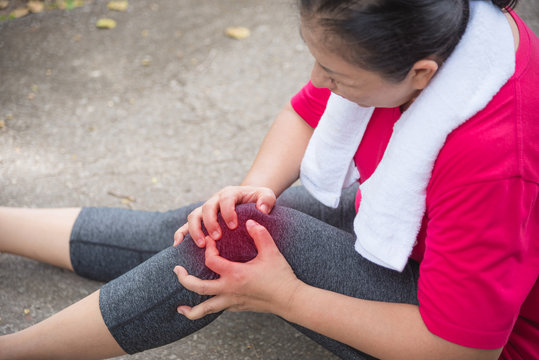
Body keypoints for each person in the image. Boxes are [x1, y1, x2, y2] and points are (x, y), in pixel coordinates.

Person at [0, 0, 537, 359]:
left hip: (469, 339)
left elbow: (462, 349)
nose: (317, 81)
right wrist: (253, 188)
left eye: (337, 75)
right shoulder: (441, 24)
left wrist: (287, 297)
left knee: (235, 246)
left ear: (422, 74)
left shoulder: (493, 160)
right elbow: (304, 113)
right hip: (424, 237)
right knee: (226, 219)